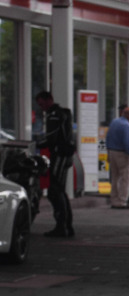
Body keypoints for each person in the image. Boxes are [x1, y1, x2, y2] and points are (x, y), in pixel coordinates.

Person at [34, 91, 76, 238]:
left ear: (49, 100)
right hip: (66, 154)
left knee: (54, 191)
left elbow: (52, 138)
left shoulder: (54, 115)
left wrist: (38, 143)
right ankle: (67, 226)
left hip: (59, 155)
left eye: (42, 104)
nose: (42, 107)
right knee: (60, 190)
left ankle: (61, 226)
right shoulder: (63, 113)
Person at [106, 106, 129, 209]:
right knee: (125, 178)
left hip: (112, 152)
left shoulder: (114, 122)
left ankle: (114, 200)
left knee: (115, 177)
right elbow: (127, 143)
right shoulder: (126, 126)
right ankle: (122, 201)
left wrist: (108, 153)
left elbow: (108, 138)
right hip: (123, 154)